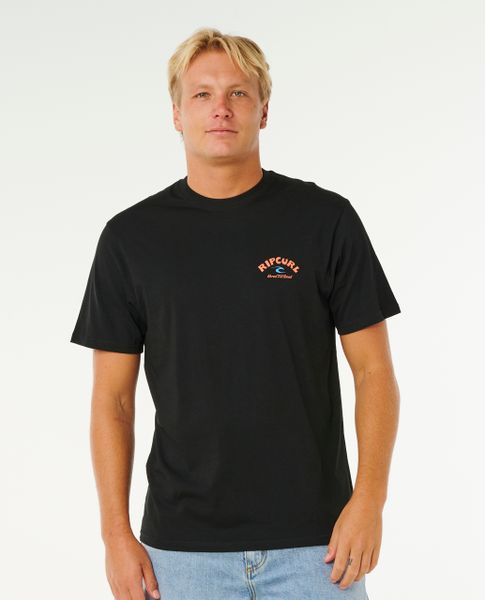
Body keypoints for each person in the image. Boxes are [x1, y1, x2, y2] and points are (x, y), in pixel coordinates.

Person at [70, 27, 401, 600]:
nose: (220, 108)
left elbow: (374, 373)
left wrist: (370, 500)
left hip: (319, 548)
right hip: (180, 555)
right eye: (201, 94)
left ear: (263, 110)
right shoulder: (130, 239)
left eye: (238, 93)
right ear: (177, 114)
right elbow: (113, 402)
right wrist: (115, 535)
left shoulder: (325, 221)